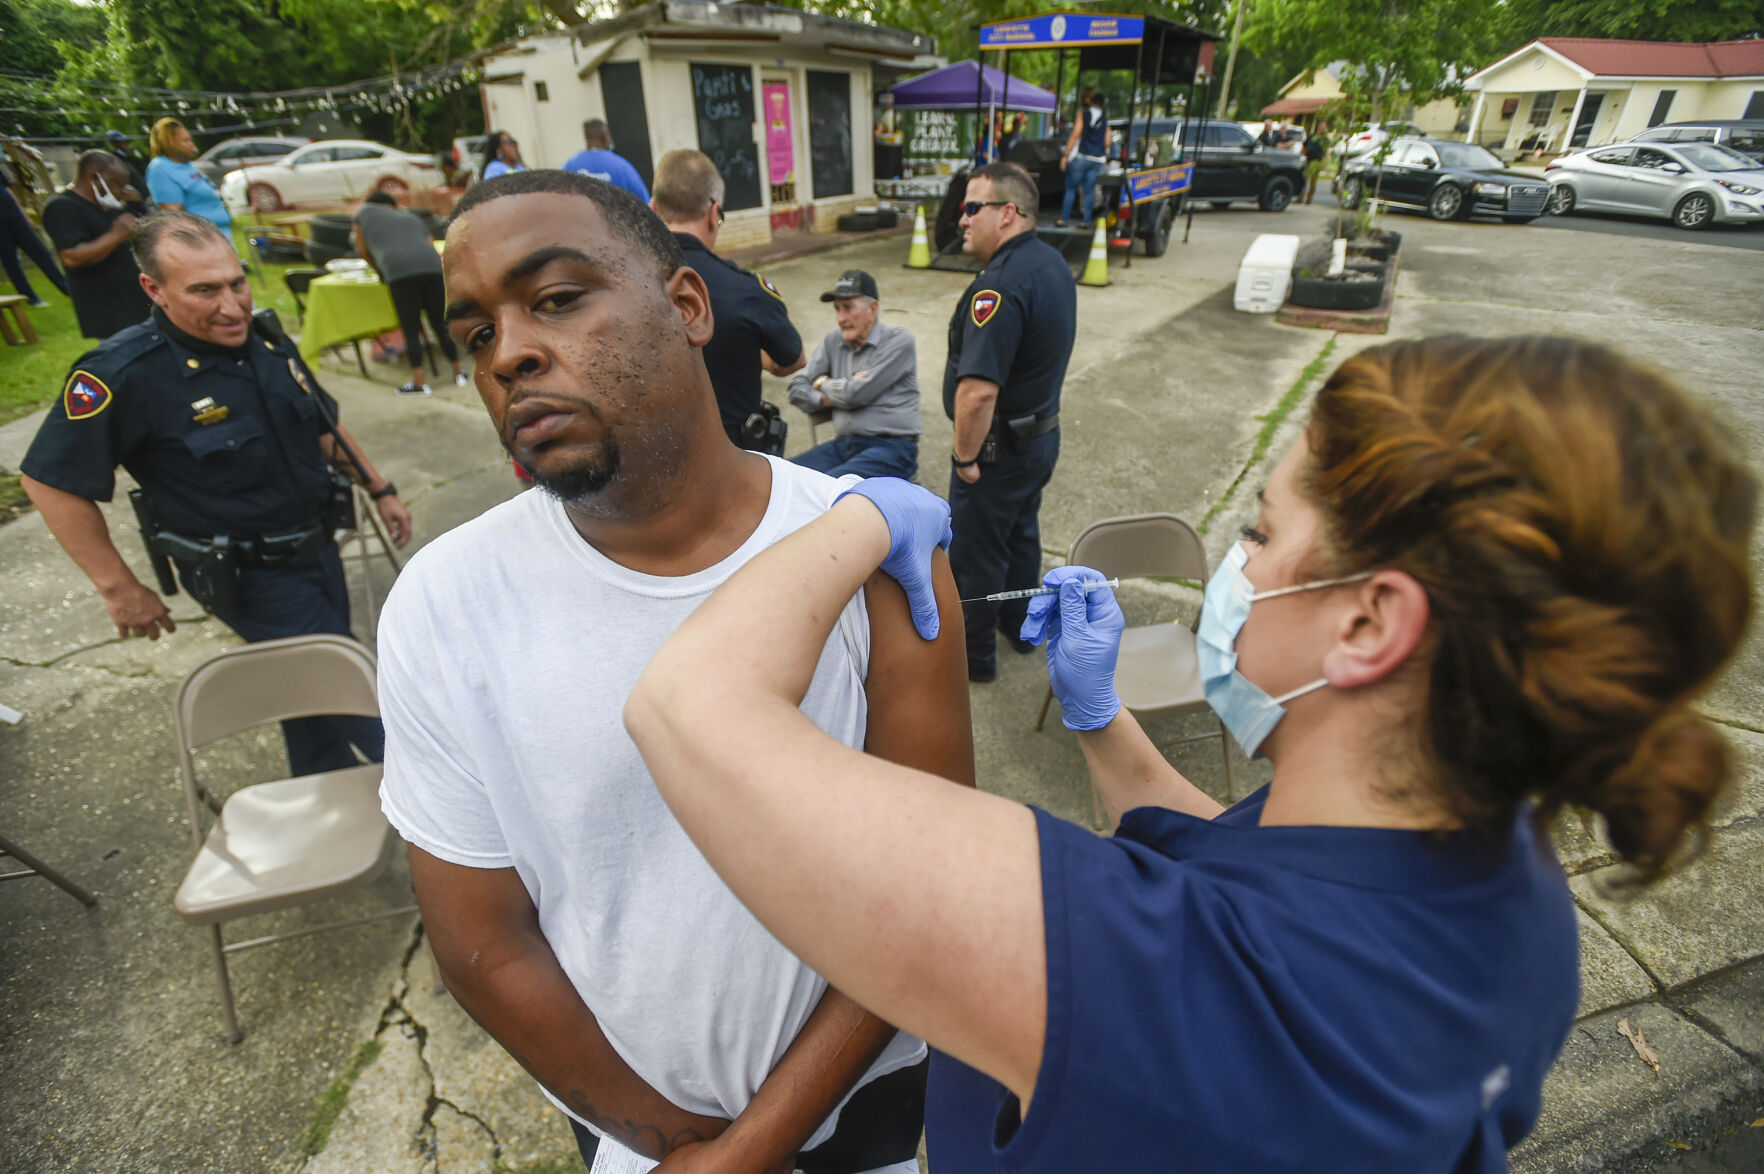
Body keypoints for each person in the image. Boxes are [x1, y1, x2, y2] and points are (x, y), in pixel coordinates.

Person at [624, 334, 1758, 1173]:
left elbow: (688, 706)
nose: (1237, 560)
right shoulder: (1505, 878)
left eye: (1263, 530)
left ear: (1369, 624)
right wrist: (1099, 718)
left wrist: (864, 517)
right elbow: (1233, 866)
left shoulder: (1155, 982)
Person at [383, 167, 972, 1174]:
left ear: (687, 304)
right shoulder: (445, 605)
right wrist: (686, 1148)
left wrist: (758, 1145)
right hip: (632, 1124)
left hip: (864, 1097)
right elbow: (484, 942)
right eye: (476, 334)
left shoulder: (870, 555)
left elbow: (929, 892)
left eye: (557, 299)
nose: (511, 352)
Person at [18, 210, 410, 776]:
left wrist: (379, 487)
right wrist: (118, 587)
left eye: (236, 283)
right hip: (249, 575)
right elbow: (49, 480)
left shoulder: (267, 340)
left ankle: (327, 804)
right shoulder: (125, 373)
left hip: (318, 546)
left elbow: (321, 422)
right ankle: (458, 830)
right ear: (154, 289)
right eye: (205, 291)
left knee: (308, 697)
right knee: (368, 708)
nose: (231, 306)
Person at [945, 161, 1076, 683]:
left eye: (973, 208)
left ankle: (971, 662)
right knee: (1020, 537)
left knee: (976, 557)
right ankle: (1021, 628)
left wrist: (965, 459)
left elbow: (977, 392)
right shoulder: (1051, 264)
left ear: (1008, 214)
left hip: (997, 453)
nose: (962, 219)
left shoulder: (997, 287)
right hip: (1038, 440)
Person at [650, 148, 804, 454]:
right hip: (730, 465)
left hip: (650, 460)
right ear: (713, 213)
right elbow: (792, 360)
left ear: (653, 209)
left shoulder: (618, 283)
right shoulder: (746, 290)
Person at [785, 269, 919, 481]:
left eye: (848, 308)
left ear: (873, 308)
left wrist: (822, 383)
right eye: (837, 309)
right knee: (783, 478)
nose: (840, 318)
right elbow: (796, 388)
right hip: (843, 445)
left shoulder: (899, 341)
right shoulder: (833, 341)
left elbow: (855, 394)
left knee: (827, 488)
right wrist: (828, 396)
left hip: (892, 447)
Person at [352, 190, 464, 396]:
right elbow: (429, 243)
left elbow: (362, 250)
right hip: (432, 268)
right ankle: (459, 373)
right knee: (440, 324)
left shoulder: (363, 213)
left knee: (411, 328)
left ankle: (420, 382)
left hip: (399, 273)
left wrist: (380, 270)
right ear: (393, 206)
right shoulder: (411, 217)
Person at [41, 151, 153, 339]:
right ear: (94, 178)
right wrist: (115, 235)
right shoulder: (61, 207)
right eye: (117, 184)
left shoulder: (111, 205)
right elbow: (71, 256)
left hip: (137, 306)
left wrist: (137, 206)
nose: (121, 191)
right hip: (110, 314)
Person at [0, 158, 70, 307]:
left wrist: (23, 214)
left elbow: (8, 190)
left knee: (40, 251)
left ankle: (67, 288)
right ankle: (31, 298)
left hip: (14, 215)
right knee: (10, 260)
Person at [144, 118, 231, 235]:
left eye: (191, 140)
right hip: (201, 238)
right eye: (185, 141)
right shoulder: (161, 168)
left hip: (220, 233)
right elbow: (174, 216)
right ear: (169, 142)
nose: (192, 145)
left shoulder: (186, 165)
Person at [561, 118, 649, 202]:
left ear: (586, 138)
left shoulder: (570, 165)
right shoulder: (622, 167)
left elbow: (559, 195)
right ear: (606, 136)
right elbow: (644, 201)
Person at [1058, 90, 1108, 228]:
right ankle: (1086, 221)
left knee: (1071, 189)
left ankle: (1064, 219)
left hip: (1082, 157)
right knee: (1089, 191)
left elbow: (1075, 134)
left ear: (1091, 101)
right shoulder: (1105, 118)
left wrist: (1065, 155)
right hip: (1097, 160)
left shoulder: (1084, 115)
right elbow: (1108, 141)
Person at [103, 129, 152, 214]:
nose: (126, 145)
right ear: (114, 145)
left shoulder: (128, 160)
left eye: (125, 142)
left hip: (144, 201)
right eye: (122, 143)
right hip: (132, 206)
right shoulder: (114, 162)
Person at [1302, 121, 1332, 204]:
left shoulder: (1324, 139)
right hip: (1309, 160)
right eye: (1323, 126)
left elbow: (1326, 151)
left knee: (1313, 182)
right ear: (1319, 127)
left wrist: (1325, 162)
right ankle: (1301, 197)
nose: (1324, 128)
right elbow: (1304, 145)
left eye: (1325, 127)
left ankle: (1309, 199)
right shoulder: (1312, 136)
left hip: (1317, 161)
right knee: (1305, 179)